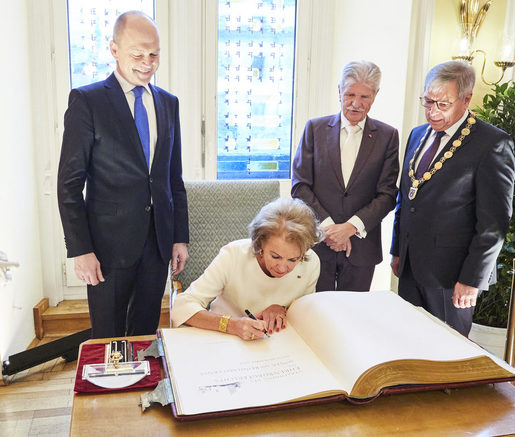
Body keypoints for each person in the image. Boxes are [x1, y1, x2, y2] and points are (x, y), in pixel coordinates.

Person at [57, 11, 189, 338]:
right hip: (107, 248)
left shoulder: (168, 104)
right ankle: (109, 389)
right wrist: (80, 250)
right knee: (109, 337)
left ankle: (141, 387)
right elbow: (69, 185)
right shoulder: (87, 101)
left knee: (144, 334)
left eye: (154, 54)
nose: (147, 63)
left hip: (157, 244)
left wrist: (179, 236)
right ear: (114, 49)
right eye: (137, 54)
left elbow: (173, 178)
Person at [390, 60, 515, 337]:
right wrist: (398, 249)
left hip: (452, 277)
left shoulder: (492, 143)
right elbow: (407, 197)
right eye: (427, 101)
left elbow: (493, 224)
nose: (432, 112)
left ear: (466, 98)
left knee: (447, 353)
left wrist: (471, 280)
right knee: (408, 342)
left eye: (442, 104)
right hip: (411, 267)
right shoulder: (418, 134)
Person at [291, 60, 399, 292]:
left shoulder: (388, 136)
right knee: (314, 314)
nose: (356, 104)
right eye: (350, 94)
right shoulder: (314, 129)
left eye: (365, 97)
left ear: (376, 95)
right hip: (317, 243)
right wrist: (330, 229)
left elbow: (388, 194)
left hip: (361, 248)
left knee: (354, 318)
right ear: (339, 90)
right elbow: (300, 186)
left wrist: (350, 227)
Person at [171, 197, 321, 340]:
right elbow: (182, 306)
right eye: (275, 256)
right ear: (260, 242)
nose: (282, 268)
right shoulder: (233, 255)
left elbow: (303, 314)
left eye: (293, 259)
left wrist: (283, 310)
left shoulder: (311, 262)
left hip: (276, 344)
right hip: (223, 340)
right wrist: (232, 325)